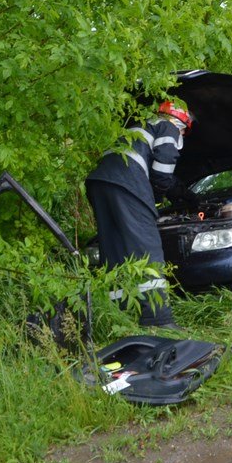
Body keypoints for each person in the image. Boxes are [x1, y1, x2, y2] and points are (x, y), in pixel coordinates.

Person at [86, 100, 198, 330]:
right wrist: (160, 197)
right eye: (185, 131)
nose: (183, 135)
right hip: (128, 183)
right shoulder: (169, 128)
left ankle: (121, 316)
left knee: (116, 248)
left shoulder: (141, 126)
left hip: (100, 183)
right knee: (147, 247)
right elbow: (163, 171)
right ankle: (159, 319)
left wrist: (183, 194)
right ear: (182, 123)